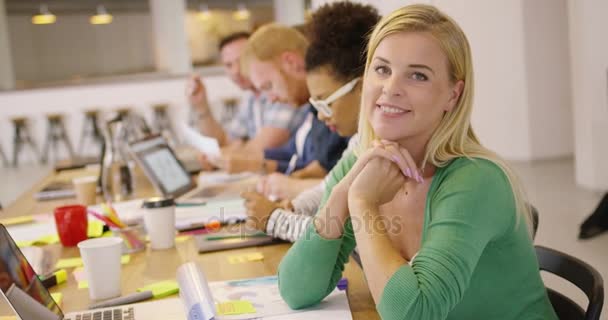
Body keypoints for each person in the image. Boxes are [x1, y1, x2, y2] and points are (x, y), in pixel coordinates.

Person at [278, 4, 558, 319]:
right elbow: (296, 290)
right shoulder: (364, 162)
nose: (391, 89)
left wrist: (362, 203)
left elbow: (414, 313)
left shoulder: (477, 180)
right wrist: (342, 195)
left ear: (453, 94)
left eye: (417, 75)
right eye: (382, 69)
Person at [241, 2, 380, 240]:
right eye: (315, 106)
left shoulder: (389, 150)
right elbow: (331, 189)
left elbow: (350, 236)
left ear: (362, 86)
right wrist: (295, 208)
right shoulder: (361, 140)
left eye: (325, 102)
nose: (321, 116)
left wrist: (276, 219)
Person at [231, 23, 349, 178]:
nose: (271, 99)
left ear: (292, 63)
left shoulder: (337, 109)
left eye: (269, 86)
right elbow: (300, 158)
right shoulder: (312, 109)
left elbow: (325, 171)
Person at [187, 32, 300, 151]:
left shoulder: (281, 92)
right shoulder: (250, 98)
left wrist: (217, 155)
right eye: (229, 65)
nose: (235, 71)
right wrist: (201, 106)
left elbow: (260, 149)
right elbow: (225, 142)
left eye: (241, 61)